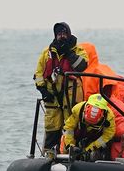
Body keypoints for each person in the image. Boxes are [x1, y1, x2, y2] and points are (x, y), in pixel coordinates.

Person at [34, 22, 89, 154]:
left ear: (69, 34)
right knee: (52, 127)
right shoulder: (47, 53)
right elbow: (38, 74)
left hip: (71, 99)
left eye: (64, 33)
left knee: (74, 127)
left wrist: (68, 53)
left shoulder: (78, 50)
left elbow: (82, 66)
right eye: (59, 34)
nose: (62, 36)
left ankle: (74, 154)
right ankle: (49, 155)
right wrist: (44, 91)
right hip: (52, 99)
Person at [63, 93, 115, 161]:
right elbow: (68, 128)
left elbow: (107, 136)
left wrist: (90, 149)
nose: (89, 124)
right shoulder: (78, 109)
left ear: (102, 116)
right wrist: (70, 146)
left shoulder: (109, 118)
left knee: (104, 148)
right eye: (87, 121)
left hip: (97, 137)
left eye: (92, 123)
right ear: (85, 111)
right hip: (80, 133)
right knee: (64, 144)